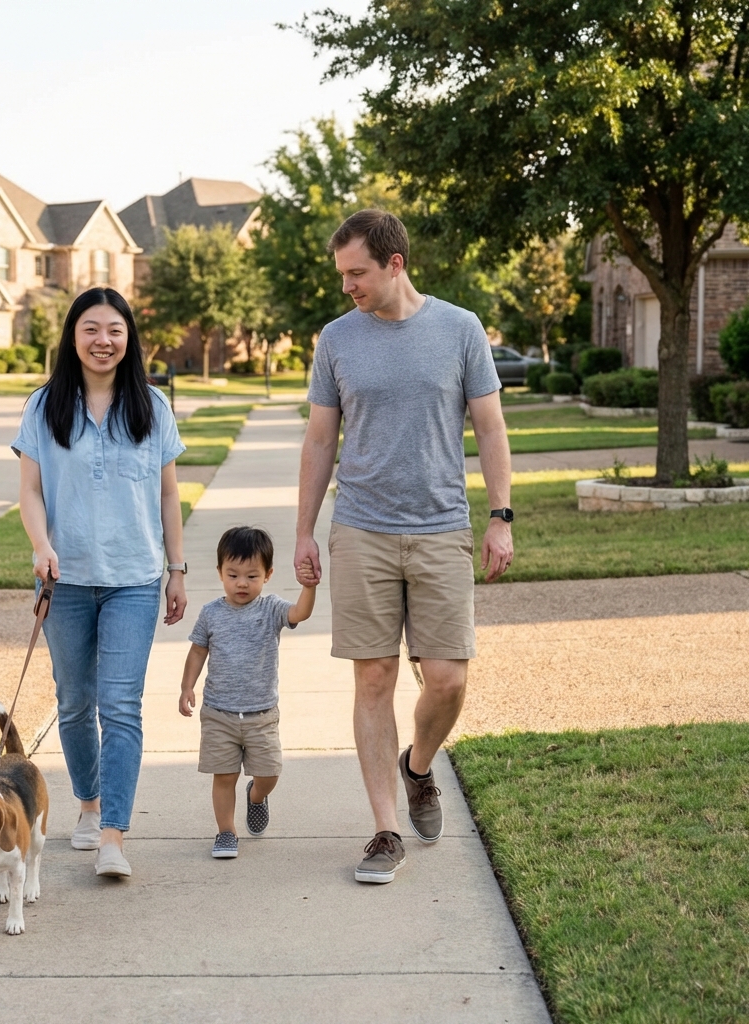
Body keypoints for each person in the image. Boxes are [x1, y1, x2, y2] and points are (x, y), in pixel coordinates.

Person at [294, 210, 513, 884]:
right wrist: (304, 528)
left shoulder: (459, 328)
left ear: (393, 264)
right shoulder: (337, 339)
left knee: (447, 678)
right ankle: (384, 829)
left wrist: (500, 516)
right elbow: (320, 440)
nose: (346, 286)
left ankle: (418, 767)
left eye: (355, 272)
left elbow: (490, 426)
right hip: (361, 527)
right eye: (341, 274)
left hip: (441, 526)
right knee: (375, 678)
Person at [12, 286, 188, 879]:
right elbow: (31, 491)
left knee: (120, 705)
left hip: (133, 580)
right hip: (65, 580)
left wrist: (177, 571)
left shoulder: (153, 407)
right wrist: (41, 547)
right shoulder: (43, 406)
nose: (103, 341)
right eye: (91, 329)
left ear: (129, 337)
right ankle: (87, 804)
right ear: (72, 336)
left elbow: (168, 495)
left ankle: (114, 833)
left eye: (114, 329)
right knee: (74, 702)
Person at [179, 526, 318, 858]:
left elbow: (300, 613)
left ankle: (256, 795)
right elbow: (198, 651)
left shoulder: (271, 609)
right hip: (218, 713)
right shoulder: (211, 613)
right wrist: (187, 686)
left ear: (268, 575)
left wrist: (308, 586)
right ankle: (226, 832)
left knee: (270, 772)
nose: (242, 583)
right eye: (233, 574)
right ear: (219, 573)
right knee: (224, 776)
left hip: (261, 714)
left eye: (251, 576)